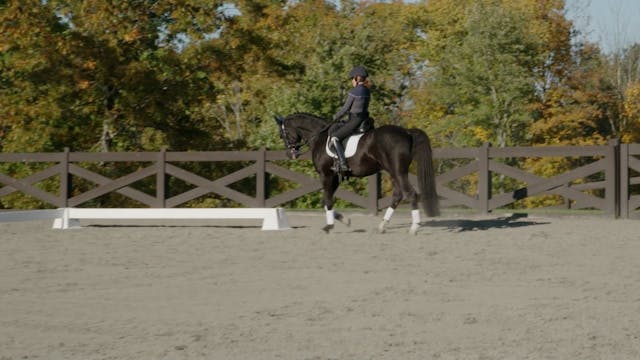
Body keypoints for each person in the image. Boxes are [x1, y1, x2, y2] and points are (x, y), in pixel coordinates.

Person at [330, 65, 372, 173]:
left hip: (354, 121)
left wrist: (335, 117)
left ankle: (343, 164)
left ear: (357, 79)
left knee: (335, 137)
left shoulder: (354, 92)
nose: (352, 81)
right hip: (364, 120)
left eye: (352, 79)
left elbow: (345, 109)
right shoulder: (367, 91)